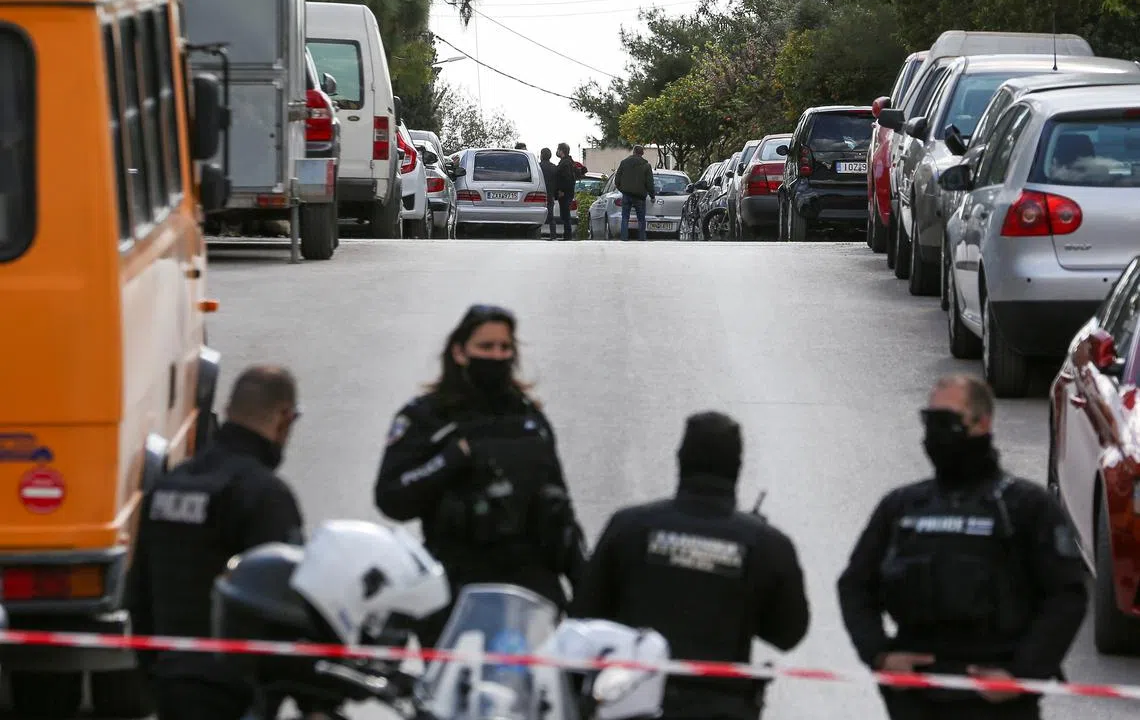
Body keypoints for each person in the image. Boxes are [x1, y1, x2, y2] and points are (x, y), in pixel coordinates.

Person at [837, 374, 1088, 720]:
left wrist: (1024, 675)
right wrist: (879, 655)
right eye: (929, 421)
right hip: (916, 700)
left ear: (982, 423)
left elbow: (1067, 597)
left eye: (947, 422)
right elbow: (854, 585)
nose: (935, 434)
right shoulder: (902, 507)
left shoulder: (1027, 507)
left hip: (998, 701)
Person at [573, 412, 810, 720]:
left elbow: (586, 614)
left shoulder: (629, 526)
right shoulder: (766, 544)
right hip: (721, 707)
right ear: (737, 467)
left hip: (630, 701)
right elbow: (789, 634)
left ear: (681, 460)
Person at [374, 304, 588, 645]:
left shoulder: (529, 419)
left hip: (530, 593)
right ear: (460, 352)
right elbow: (391, 497)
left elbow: (560, 508)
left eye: (505, 348)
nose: (497, 356)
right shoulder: (427, 418)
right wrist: (449, 460)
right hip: (457, 590)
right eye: (486, 347)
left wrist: (585, 587)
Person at [128, 365, 305, 720]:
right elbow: (289, 603)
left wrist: (158, 672)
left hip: (171, 679)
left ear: (228, 412)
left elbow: (138, 591)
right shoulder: (264, 495)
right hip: (234, 691)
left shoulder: (169, 485)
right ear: (285, 419)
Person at [613, 145, 656, 241]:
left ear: (633, 152)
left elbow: (617, 180)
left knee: (625, 217)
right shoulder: (646, 166)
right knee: (641, 218)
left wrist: (622, 189)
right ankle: (641, 238)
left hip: (627, 194)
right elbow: (649, 183)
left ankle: (624, 237)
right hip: (640, 196)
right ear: (642, 153)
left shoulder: (624, 163)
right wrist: (652, 195)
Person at [554, 142, 578, 241]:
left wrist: (562, 190)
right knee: (565, 214)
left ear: (562, 151)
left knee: (565, 214)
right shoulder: (568, 162)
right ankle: (567, 234)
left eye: (558, 149)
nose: (557, 151)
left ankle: (567, 235)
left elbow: (567, 179)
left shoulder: (565, 163)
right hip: (567, 192)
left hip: (565, 193)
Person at [539, 147, 559, 239]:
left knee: (538, 215)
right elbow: (557, 182)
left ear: (541, 156)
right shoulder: (554, 168)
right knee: (551, 217)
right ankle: (553, 235)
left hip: (538, 194)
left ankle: (537, 234)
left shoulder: (538, 167)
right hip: (550, 194)